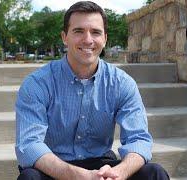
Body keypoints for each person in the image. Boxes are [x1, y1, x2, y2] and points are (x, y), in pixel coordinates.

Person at [15, 1, 170, 180]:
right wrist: (80, 176)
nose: (88, 39)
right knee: (29, 177)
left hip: (102, 166)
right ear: (64, 37)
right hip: (55, 167)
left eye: (95, 32)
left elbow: (139, 139)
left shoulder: (121, 83)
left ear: (105, 38)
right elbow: (29, 145)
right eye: (78, 31)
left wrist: (119, 173)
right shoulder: (38, 84)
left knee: (154, 173)